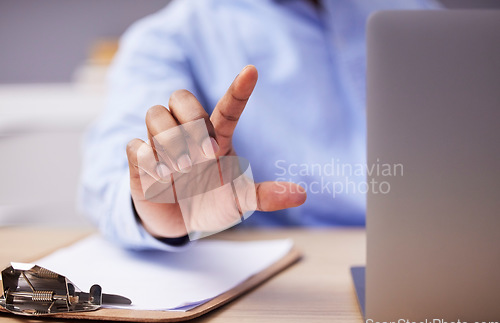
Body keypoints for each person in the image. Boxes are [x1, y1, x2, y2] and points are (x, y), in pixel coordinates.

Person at [79, 0, 439, 250]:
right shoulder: (170, 38)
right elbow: (107, 178)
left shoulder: (421, 14)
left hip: (443, 246)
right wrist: (157, 211)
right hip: (292, 279)